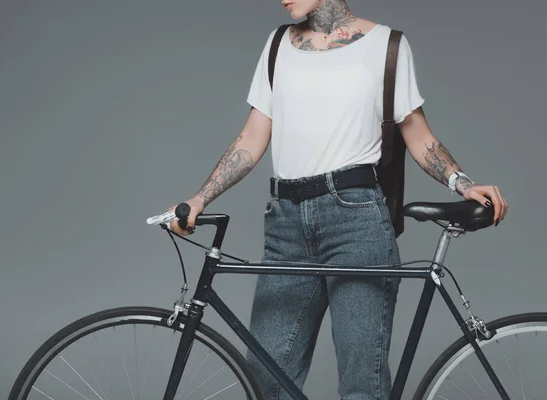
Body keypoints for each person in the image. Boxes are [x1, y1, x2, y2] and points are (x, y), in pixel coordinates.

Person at [169, 0, 509, 398]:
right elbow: (252, 136)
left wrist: (462, 182)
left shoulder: (387, 45)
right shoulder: (278, 44)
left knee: (362, 385)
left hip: (356, 222)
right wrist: (200, 198)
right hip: (285, 226)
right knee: (263, 381)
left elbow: (418, 135)